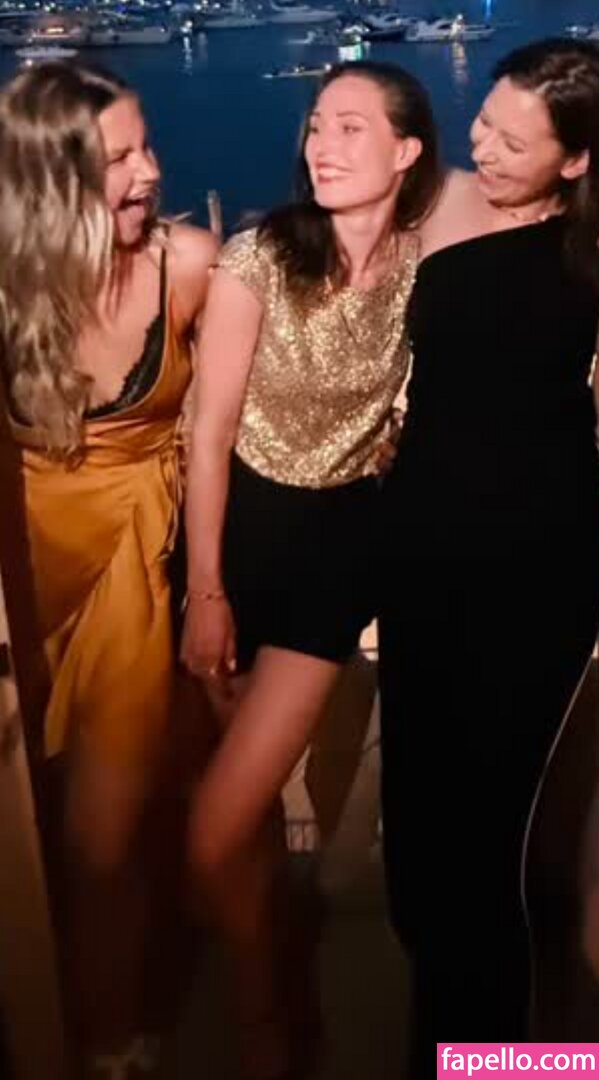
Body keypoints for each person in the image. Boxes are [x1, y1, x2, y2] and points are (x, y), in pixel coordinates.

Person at [181, 60, 441, 1080]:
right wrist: (205, 592)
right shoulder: (260, 257)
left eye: (349, 127)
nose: (320, 147)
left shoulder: (426, 262)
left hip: (336, 552)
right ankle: (279, 1005)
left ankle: (265, 1031)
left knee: (213, 831)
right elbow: (208, 436)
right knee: (240, 825)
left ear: (407, 150)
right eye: (315, 126)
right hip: (233, 539)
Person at [377, 37, 599, 1072]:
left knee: (496, 848)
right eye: (482, 124)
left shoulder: (583, 255)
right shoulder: (439, 206)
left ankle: (502, 1062)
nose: (484, 146)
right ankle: (440, 1049)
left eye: (515, 141)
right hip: (424, 554)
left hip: (537, 567)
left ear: (576, 160)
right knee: (421, 838)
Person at [0, 62, 217, 1078]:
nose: (151, 171)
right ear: (49, 180)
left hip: (132, 566)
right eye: (118, 157)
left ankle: (108, 1041)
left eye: (148, 145)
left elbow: (233, 428)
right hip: (20, 572)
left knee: (105, 839)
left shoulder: (192, 265)